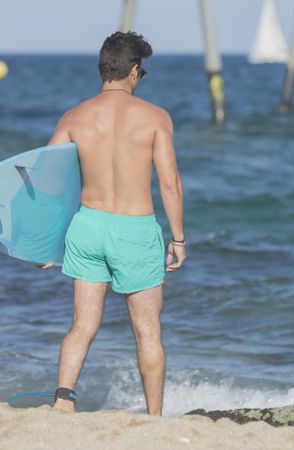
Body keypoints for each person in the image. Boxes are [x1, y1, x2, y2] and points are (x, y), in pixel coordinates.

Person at [40, 31, 187, 416]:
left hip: (87, 226)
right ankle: (154, 418)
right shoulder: (155, 118)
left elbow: (48, 180)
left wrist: (43, 242)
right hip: (134, 230)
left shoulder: (75, 117)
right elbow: (169, 182)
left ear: (103, 68)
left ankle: (62, 401)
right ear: (134, 72)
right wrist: (179, 238)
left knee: (82, 325)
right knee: (148, 332)